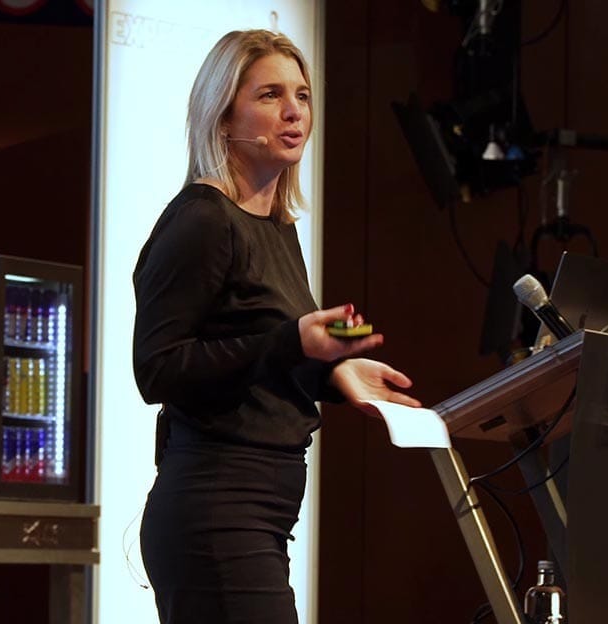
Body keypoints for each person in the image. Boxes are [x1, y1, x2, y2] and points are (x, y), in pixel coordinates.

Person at [132, 29, 422, 624]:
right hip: (216, 508)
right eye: (270, 95)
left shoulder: (278, 228)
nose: (295, 112)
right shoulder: (203, 221)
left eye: (302, 95)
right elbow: (158, 369)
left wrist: (334, 373)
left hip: (263, 510)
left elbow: (258, 359)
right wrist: (293, 342)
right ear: (222, 117)